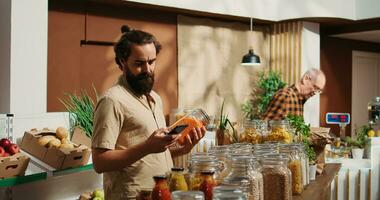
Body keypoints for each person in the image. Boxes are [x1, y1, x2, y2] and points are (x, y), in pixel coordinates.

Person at [91, 25, 206, 199]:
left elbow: (151, 154)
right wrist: (147, 146)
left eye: (151, 62)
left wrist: (179, 149)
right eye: (139, 63)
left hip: (160, 193)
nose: (147, 69)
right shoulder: (112, 100)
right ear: (123, 62)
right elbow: (100, 162)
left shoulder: (154, 98)